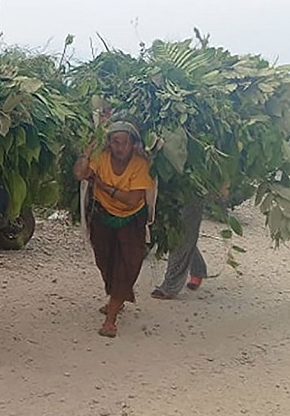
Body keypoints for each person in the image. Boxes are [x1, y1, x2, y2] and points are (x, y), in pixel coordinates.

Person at [74, 121, 156, 338]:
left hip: (131, 221)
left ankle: (110, 319)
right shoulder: (101, 158)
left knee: (126, 266)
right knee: (105, 261)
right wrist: (86, 152)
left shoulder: (140, 165)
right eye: (115, 142)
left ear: (133, 144)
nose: (120, 148)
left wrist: (103, 186)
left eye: (125, 143)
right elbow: (80, 174)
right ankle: (115, 299)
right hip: (103, 218)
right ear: (108, 143)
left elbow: (131, 200)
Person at [150, 198, 207, 299]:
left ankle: (171, 285)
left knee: (182, 231)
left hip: (192, 190)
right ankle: (197, 268)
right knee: (171, 231)